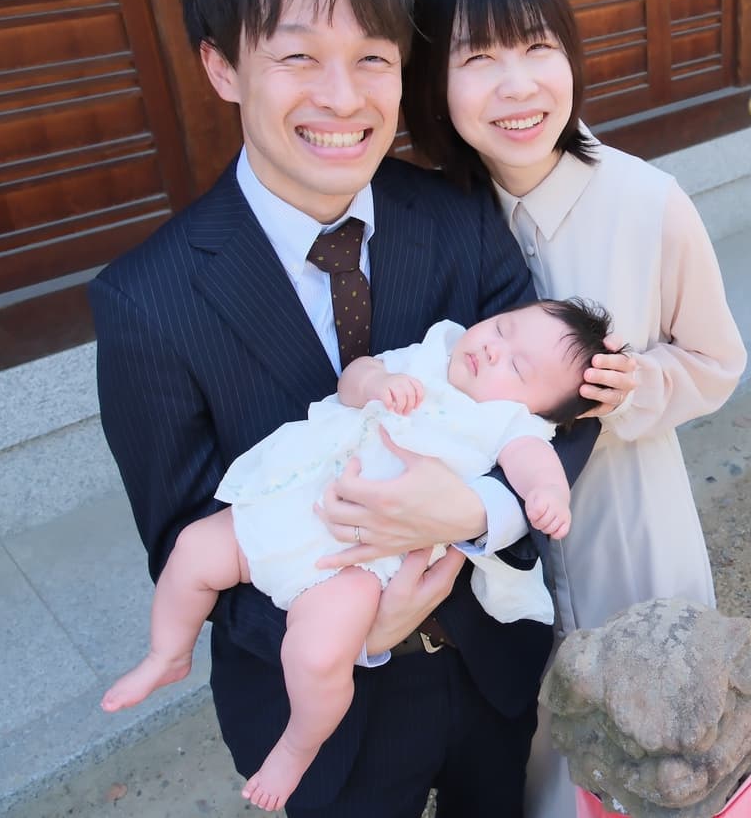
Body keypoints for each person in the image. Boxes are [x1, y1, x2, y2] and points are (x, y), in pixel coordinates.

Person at [89, 0, 599, 818]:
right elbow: (186, 540)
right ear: (222, 67)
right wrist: (364, 629)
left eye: (373, 56)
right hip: (319, 715)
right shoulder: (147, 302)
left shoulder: (456, 212)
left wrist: (480, 505)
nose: (343, 96)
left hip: (492, 667)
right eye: (297, 57)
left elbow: (563, 402)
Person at [402, 0, 748, 817]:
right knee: (526, 756)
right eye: (479, 57)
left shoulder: (648, 202)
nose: (518, 87)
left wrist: (638, 388)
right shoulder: (431, 220)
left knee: (646, 744)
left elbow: (717, 360)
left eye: (537, 48)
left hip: (627, 521)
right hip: (488, 557)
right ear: (430, 78)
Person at [101, 298, 612, 811]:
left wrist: (549, 496)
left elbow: (535, 465)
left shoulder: (509, 425)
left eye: (518, 367)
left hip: (354, 560)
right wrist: (374, 384)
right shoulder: (434, 351)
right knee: (192, 549)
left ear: (537, 409)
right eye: (501, 329)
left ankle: (298, 746)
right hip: (289, 502)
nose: (493, 350)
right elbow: (356, 376)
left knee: (319, 654)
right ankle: (167, 653)